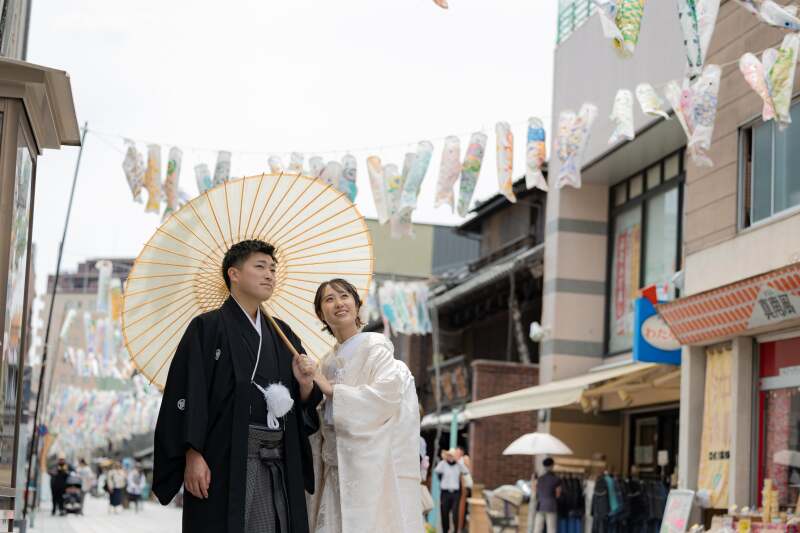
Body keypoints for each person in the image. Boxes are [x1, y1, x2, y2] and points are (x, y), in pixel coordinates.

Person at [153, 239, 323, 533]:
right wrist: (193, 454)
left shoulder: (282, 333)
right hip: (224, 457)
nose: (270, 274)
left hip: (279, 459)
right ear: (234, 274)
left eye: (273, 268)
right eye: (260, 267)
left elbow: (303, 404)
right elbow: (188, 394)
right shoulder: (206, 328)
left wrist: (306, 384)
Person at [306, 278, 423, 533]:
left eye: (345, 296)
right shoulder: (324, 363)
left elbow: (386, 396)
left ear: (357, 304)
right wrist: (308, 385)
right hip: (335, 468)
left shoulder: (375, 347)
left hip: (368, 470)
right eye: (329, 299)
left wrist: (331, 390)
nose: (339, 303)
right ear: (320, 313)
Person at [434, 449, 469, 533]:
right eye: (449, 455)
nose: (450, 457)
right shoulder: (443, 464)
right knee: (444, 513)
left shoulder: (458, 465)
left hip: (455, 494)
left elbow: (466, 471)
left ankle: (456, 530)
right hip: (445, 493)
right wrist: (444, 461)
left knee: (455, 514)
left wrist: (458, 462)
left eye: (452, 456)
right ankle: (445, 530)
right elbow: (436, 470)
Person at [533, 457, 562, 533]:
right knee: (551, 529)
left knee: (538, 528)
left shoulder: (539, 479)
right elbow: (558, 494)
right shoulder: (556, 479)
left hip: (540, 505)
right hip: (551, 506)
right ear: (552, 466)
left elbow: (535, 491)